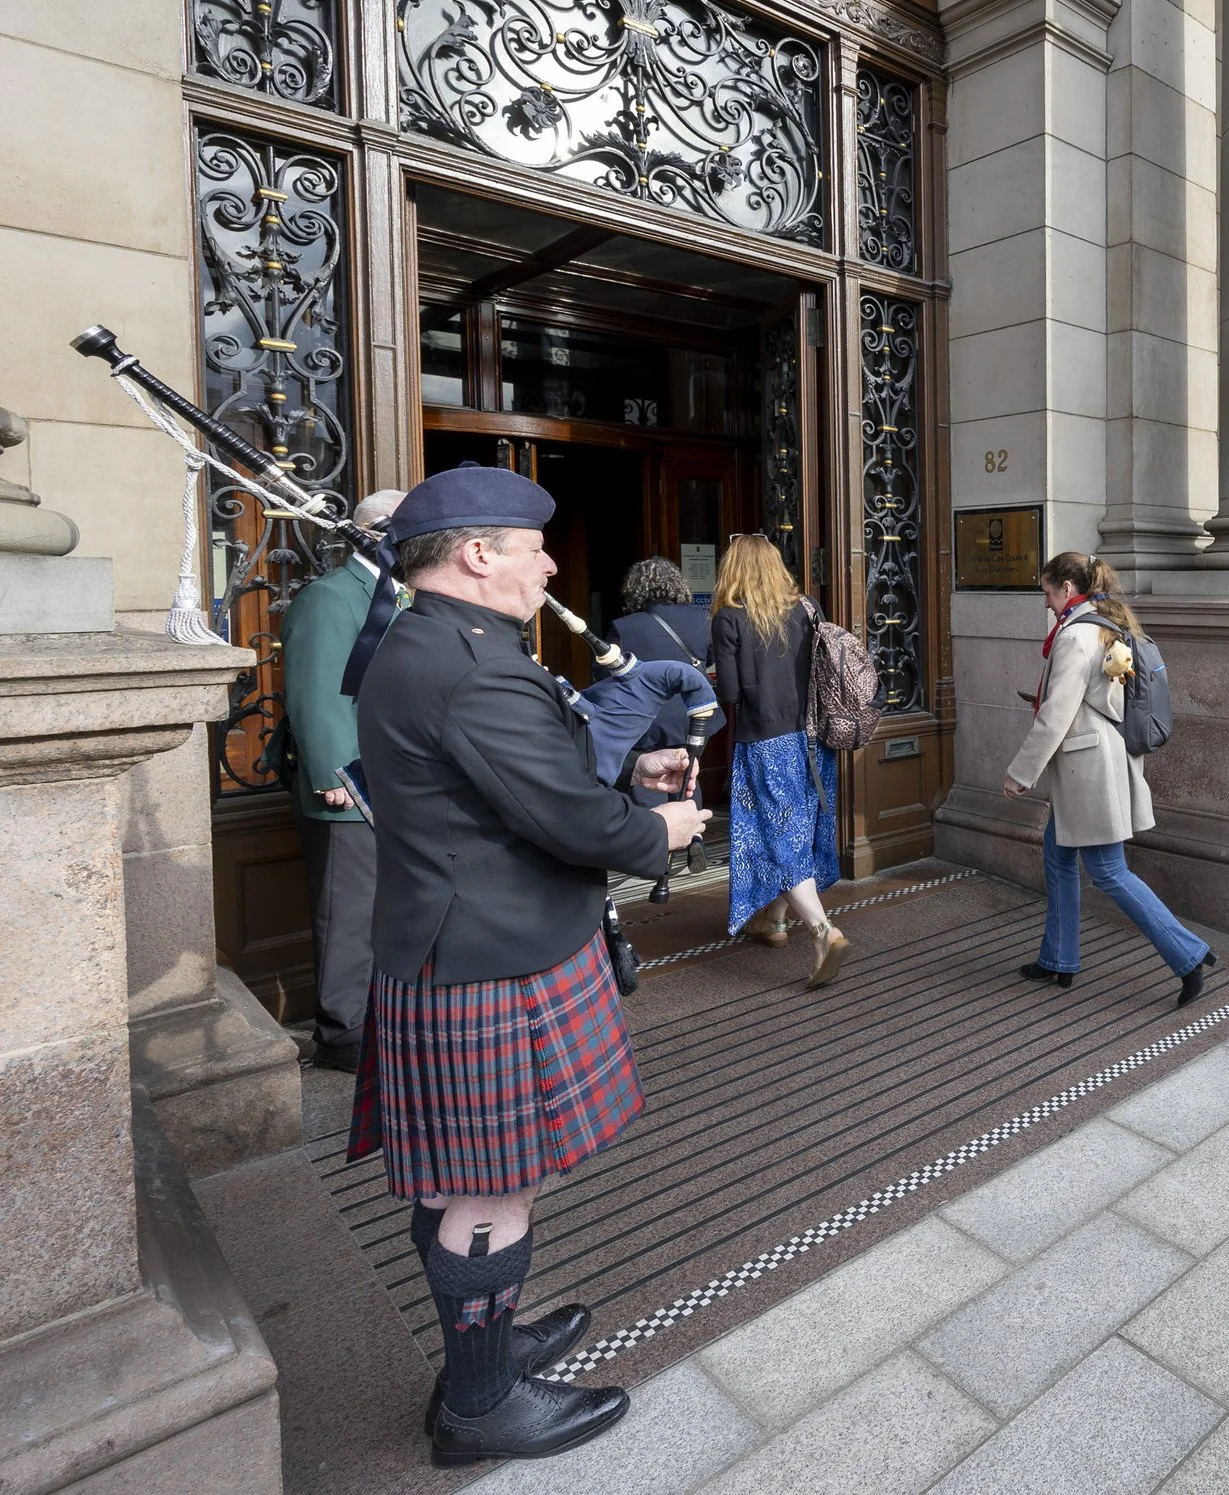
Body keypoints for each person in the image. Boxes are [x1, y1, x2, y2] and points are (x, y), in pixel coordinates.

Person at [348, 466, 709, 1464]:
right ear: (478, 554)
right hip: (493, 961)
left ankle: (489, 1348)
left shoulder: (428, 643)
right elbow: (565, 819)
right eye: (534, 548)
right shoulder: (472, 663)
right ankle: (479, 1404)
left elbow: (506, 779)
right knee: (489, 1187)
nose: (549, 565)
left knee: (472, 1179)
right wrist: (659, 828)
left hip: (467, 946)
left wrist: (627, 766)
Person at [1004, 552, 1215, 1005]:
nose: (1045, 602)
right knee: (1058, 856)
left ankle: (1189, 955)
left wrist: (1020, 772)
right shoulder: (1102, 625)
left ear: (1066, 588)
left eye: (1047, 592)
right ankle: (1057, 959)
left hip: (1089, 771)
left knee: (1109, 871)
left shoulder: (1076, 636)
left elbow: (1057, 714)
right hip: (1091, 763)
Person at [279, 487, 403, 1073]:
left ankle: (379, 1018)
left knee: (384, 906)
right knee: (348, 910)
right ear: (375, 531)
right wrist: (336, 771)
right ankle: (342, 1032)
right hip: (350, 785)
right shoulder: (330, 596)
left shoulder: (398, 593)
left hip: (396, 780)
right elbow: (317, 689)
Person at [711, 535, 847, 982]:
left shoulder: (729, 617)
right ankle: (773, 921)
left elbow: (730, 693)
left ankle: (823, 930)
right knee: (796, 831)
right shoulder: (807, 607)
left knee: (776, 838)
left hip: (766, 744)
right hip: (814, 740)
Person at [610, 556, 714, 753]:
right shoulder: (703, 618)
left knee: (651, 772)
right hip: (696, 714)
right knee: (690, 767)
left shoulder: (624, 627)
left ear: (635, 589)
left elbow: (606, 674)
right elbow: (709, 659)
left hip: (646, 721)